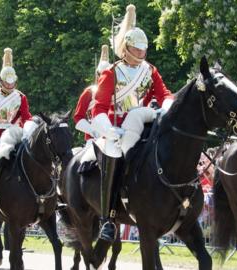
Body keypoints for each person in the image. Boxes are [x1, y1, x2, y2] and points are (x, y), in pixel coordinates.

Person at [90, 4, 174, 242]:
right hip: (117, 127)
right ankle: (108, 218)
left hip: (144, 120)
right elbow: (99, 108)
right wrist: (108, 130)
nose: (141, 53)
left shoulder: (150, 70)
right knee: (115, 156)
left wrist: (167, 109)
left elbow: (165, 94)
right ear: (126, 48)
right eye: (137, 49)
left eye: (143, 49)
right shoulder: (112, 73)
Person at [0, 48, 37, 219]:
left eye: (12, 83)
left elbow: (27, 118)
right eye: (7, 82)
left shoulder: (21, 97)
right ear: (1, 81)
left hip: (13, 136)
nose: (10, 86)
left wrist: (28, 132)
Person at [73, 44, 111, 140]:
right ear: (98, 75)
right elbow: (78, 117)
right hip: (93, 138)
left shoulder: (117, 91)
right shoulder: (89, 92)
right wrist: (92, 132)